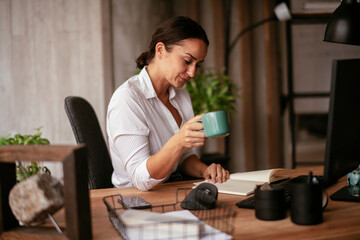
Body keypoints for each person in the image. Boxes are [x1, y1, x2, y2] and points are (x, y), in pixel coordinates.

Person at [106, 16, 230, 191]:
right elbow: (140, 179)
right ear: (160, 50)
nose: (193, 72)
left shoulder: (181, 94)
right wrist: (178, 141)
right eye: (187, 61)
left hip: (171, 191)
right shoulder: (127, 99)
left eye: (198, 65)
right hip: (135, 200)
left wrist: (205, 170)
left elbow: (184, 155)